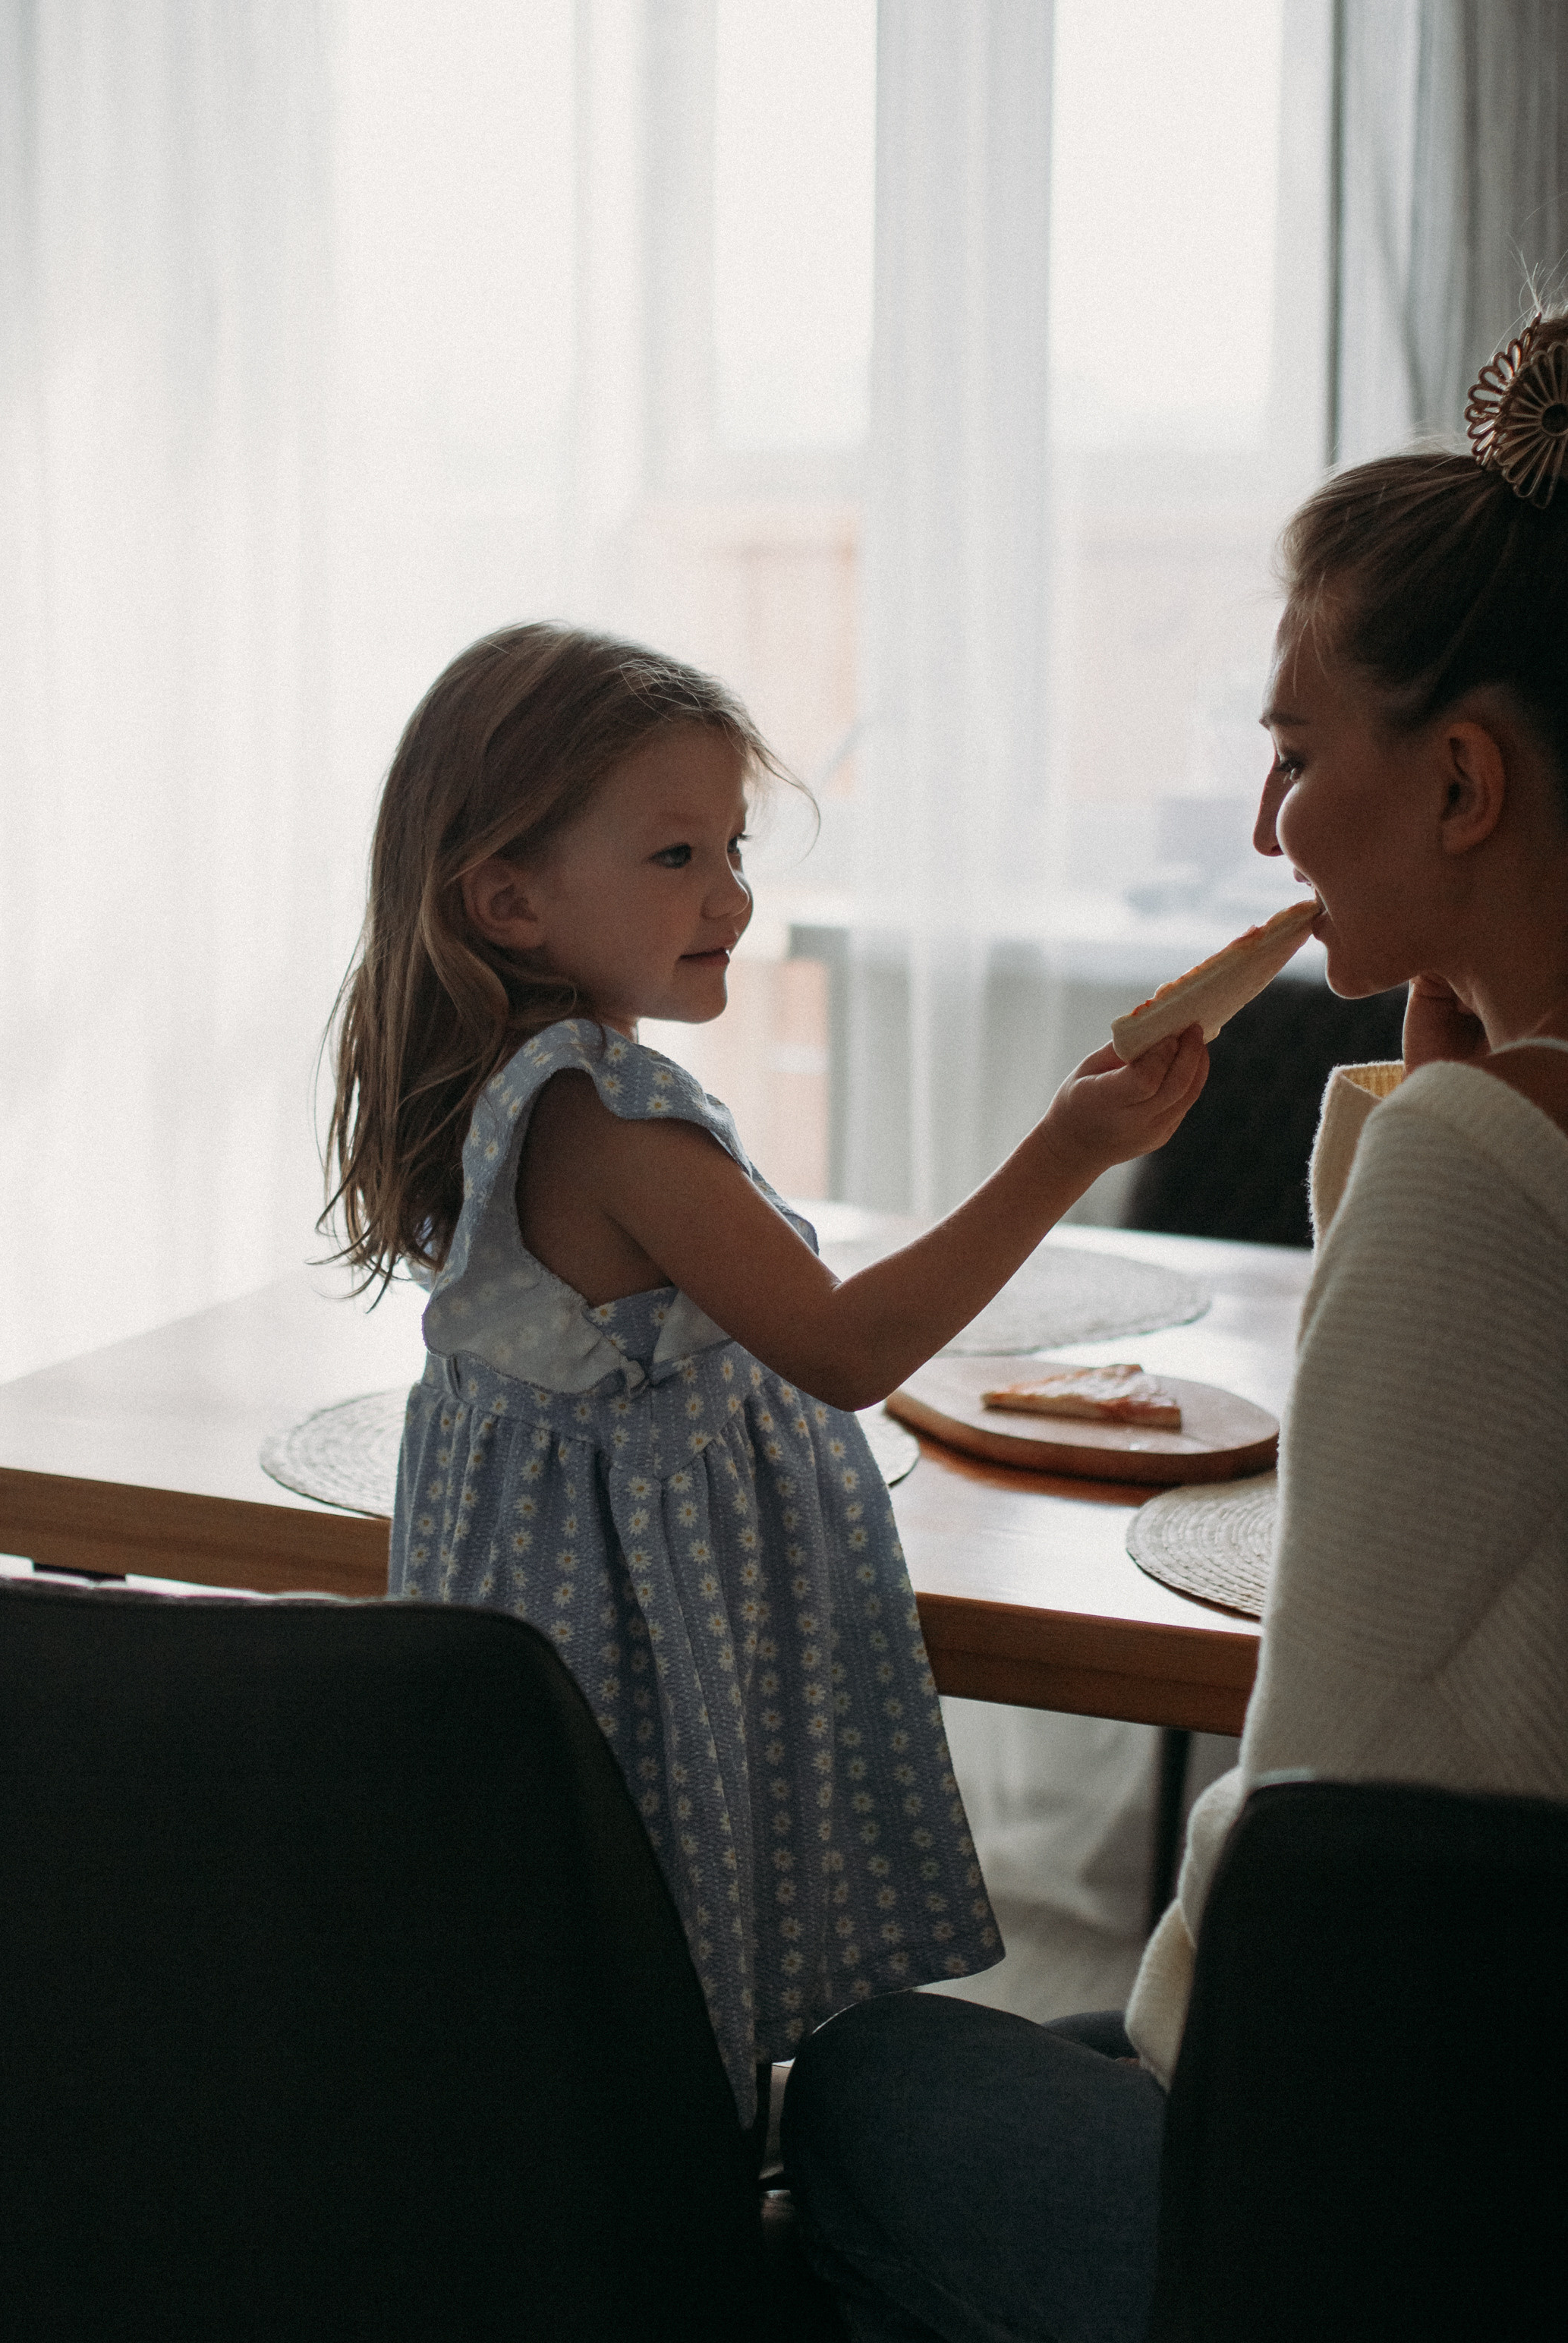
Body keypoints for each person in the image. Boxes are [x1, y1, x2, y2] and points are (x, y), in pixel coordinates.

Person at [782, 309, 1568, 2343]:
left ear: (1458, 784)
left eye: (1293, 750)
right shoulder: (1482, 1128)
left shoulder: (1464, 1180)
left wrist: (1431, 1120)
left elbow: (1311, 1835)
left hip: (1414, 2226)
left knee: (857, 2096)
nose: (1256, 821)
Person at [323, 622, 1207, 2119]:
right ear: (509, 897)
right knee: (661, 2011)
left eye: (734, 846)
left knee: (588, 2007)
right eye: (677, 855)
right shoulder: (608, 1114)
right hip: (638, 1659)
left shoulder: (509, 1086)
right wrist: (1071, 1148)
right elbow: (847, 1345)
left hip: (550, 1648)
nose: (731, 893)